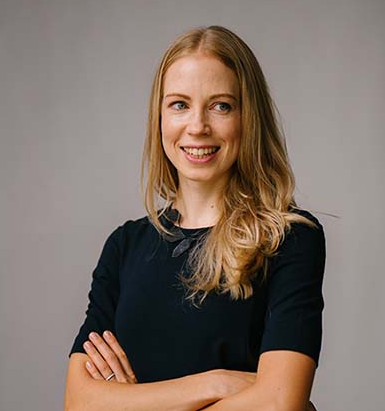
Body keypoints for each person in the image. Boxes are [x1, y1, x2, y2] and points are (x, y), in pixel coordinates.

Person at [63, 25, 325, 411]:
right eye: (179, 105)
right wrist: (217, 382)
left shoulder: (288, 239)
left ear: (248, 118)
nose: (198, 126)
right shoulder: (124, 247)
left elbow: (277, 403)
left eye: (221, 106)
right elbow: (79, 402)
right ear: (159, 117)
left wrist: (130, 403)